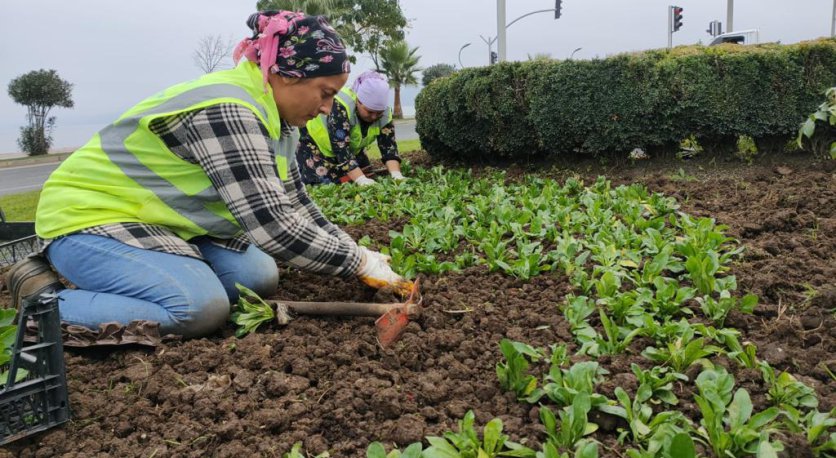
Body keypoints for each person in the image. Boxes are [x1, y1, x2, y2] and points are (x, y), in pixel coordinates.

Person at [4, 11, 411, 339]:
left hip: (160, 225)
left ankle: (163, 275)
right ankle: (43, 299)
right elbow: (273, 226)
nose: (327, 108)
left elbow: (296, 204)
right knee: (200, 308)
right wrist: (353, 260)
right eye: (324, 92)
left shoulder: (279, 120)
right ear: (286, 74)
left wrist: (360, 254)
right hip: (91, 222)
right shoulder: (229, 110)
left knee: (258, 274)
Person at [296, 71, 405, 185]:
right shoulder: (341, 106)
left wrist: (396, 175)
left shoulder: (385, 114)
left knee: (368, 175)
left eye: (379, 113)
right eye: (370, 111)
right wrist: (360, 180)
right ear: (358, 101)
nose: (374, 117)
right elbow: (341, 149)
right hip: (316, 148)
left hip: (352, 151)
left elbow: (389, 146)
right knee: (327, 184)